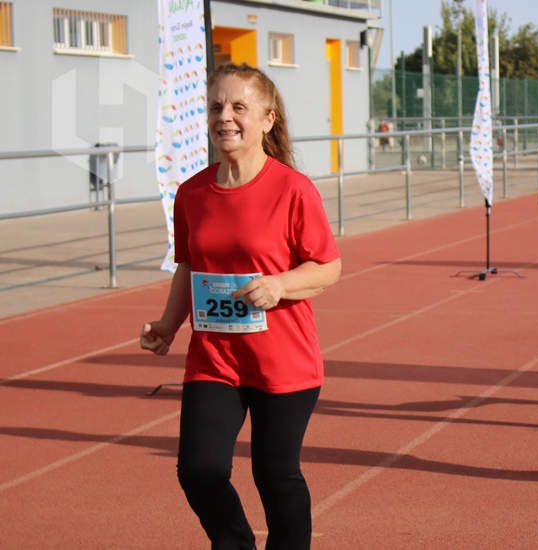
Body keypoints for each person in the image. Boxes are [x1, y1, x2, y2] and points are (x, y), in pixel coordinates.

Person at [140, 63, 341, 549]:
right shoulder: (192, 193)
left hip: (283, 362)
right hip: (214, 360)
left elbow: (328, 267)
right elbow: (189, 266)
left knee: (275, 477)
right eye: (215, 107)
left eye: (238, 107)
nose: (224, 117)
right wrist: (169, 324)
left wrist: (279, 285)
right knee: (200, 470)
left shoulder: (293, 189)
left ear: (267, 120)